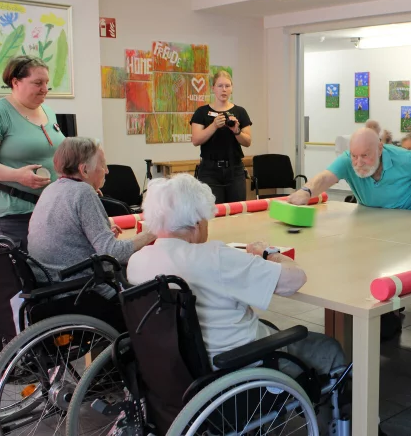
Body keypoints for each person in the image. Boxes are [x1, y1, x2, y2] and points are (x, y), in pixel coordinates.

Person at [127, 173, 345, 378]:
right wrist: (269, 253)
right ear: (197, 224)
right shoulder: (216, 258)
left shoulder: (136, 263)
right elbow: (294, 279)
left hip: (178, 371)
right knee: (329, 347)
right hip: (241, 365)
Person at [0, 56, 65, 251]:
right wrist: (17, 176)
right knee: (21, 269)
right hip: (13, 212)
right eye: (37, 83)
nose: (45, 89)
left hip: (47, 208)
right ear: (16, 82)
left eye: (46, 83)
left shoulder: (48, 112)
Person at [28, 138, 156, 294]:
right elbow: (114, 253)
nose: (107, 171)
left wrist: (99, 233)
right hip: (81, 289)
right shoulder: (83, 192)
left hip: (48, 283)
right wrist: (153, 231)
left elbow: (66, 237)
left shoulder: (52, 189)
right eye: (103, 164)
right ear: (84, 170)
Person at [288, 127, 411, 211]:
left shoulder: (404, 158)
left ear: (380, 149)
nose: (358, 162)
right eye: (354, 155)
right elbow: (325, 177)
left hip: (410, 215)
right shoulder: (347, 160)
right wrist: (305, 191)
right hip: (371, 215)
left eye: (365, 155)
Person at [190, 70, 252, 204]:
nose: (224, 89)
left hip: (235, 169)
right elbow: (195, 140)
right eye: (220, 86)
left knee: (237, 210)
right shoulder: (202, 112)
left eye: (227, 86)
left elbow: (248, 142)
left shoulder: (240, 112)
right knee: (213, 211)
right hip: (209, 171)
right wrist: (214, 126)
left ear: (232, 88)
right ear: (213, 88)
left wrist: (236, 131)